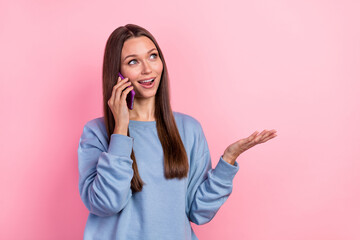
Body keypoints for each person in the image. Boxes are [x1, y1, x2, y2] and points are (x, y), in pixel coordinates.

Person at [77, 23, 277, 240]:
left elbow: (198, 211)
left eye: (153, 56)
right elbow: (106, 204)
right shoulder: (97, 132)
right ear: (117, 73)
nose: (147, 69)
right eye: (133, 61)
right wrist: (120, 130)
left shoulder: (188, 129)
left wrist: (228, 161)